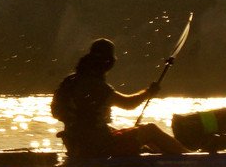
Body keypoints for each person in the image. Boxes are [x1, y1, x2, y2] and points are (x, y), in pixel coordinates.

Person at [53, 38, 188, 158]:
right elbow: (128, 104)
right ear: (107, 62)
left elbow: (56, 113)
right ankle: (190, 157)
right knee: (150, 130)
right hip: (101, 148)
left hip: (76, 146)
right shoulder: (96, 86)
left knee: (125, 132)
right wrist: (149, 92)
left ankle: (158, 154)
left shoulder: (69, 82)